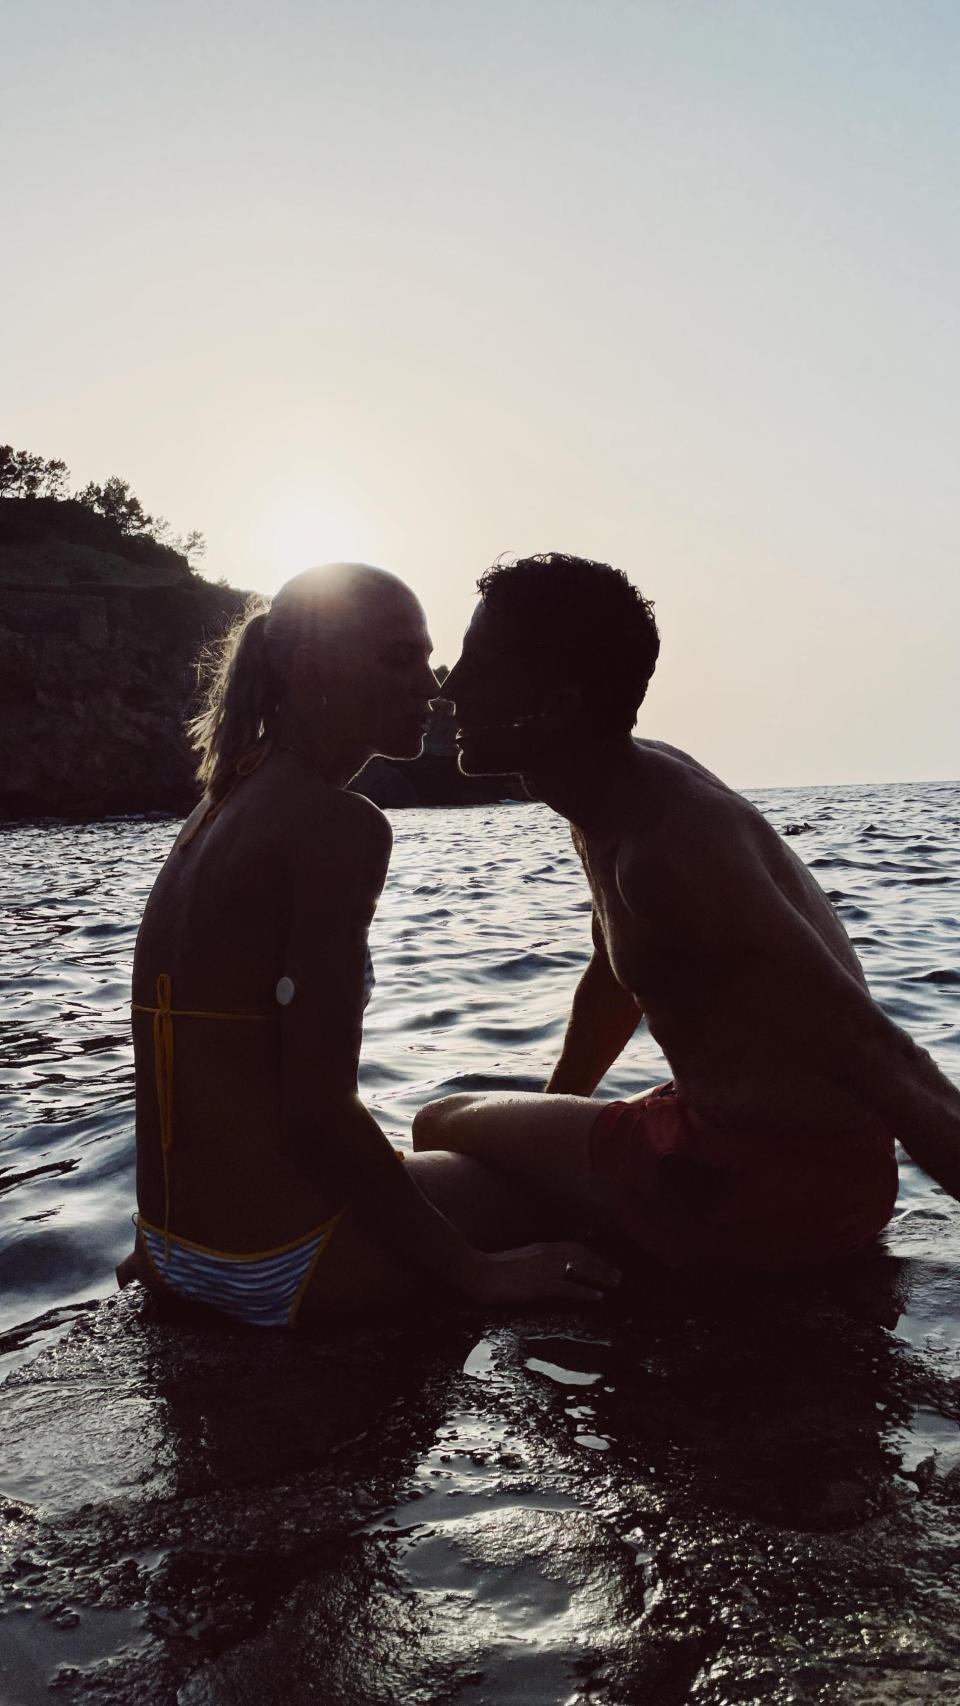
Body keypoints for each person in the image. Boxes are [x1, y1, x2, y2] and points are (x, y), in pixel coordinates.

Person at [413, 553, 960, 1274]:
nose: (449, 689)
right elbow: (617, 973)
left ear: (558, 706)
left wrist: (545, 1147)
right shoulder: (609, 790)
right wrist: (552, 1132)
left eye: (478, 664)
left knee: (437, 1122)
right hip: (756, 1155)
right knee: (489, 1156)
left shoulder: (671, 846)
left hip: (764, 1187)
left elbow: (885, 1057)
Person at [116, 563, 617, 1327]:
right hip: (284, 1263)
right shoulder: (337, 825)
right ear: (310, 670)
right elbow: (317, 1105)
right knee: (539, 1172)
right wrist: (474, 1272)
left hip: (172, 1251)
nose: (434, 686)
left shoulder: (215, 813)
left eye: (426, 656)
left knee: (456, 1150)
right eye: (397, 658)